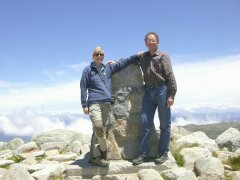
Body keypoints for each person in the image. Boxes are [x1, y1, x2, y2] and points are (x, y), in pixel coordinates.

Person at [80, 46, 138, 166]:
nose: (99, 56)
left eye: (101, 54)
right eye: (97, 54)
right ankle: (104, 150)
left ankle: (100, 157)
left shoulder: (108, 67)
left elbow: (124, 63)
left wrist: (136, 56)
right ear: (93, 56)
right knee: (98, 125)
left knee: (103, 130)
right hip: (94, 102)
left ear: (104, 56)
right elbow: (83, 87)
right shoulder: (88, 70)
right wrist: (84, 104)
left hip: (106, 103)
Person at [132, 32, 177, 165]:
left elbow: (170, 75)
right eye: (148, 40)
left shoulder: (163, 56)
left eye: (153, 40)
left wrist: (171, 95)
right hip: (148, 92)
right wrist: (115, 62)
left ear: (157, 42)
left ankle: (163, 153)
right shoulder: (142, 57)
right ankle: (143, 154)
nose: (151, 42)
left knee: (164, 124)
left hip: (162, 90)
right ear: (145, 43)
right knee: (145, 124)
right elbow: (129, 61)